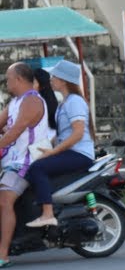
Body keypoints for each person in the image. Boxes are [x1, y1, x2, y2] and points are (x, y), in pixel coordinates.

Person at [25, 60, 95, 228]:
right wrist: (46, 146)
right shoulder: (66, 102)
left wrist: (53, 151)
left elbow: (77, 133)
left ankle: (47, 214)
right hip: (71, 151)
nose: (51, 80)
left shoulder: (75, 102)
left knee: (38, 168)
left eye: (54, 77)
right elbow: (63, 134)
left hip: (79, 154)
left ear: (63, 80)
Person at [0, 62, 53, 267]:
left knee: (4, 201)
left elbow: (16, 130)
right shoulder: (14, 102)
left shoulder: (31, 101)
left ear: (19, 79)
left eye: (8, 78)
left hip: (25, 161)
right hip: (12, 160)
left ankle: (3, 255)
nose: (7, 82)